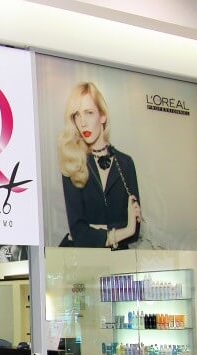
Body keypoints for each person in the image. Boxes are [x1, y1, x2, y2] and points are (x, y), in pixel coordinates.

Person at [58, 82, 141, 249]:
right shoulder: (72, 162)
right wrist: (123, 230)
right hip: (81, 259)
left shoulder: (125, 163)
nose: (82, 123)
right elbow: (79, 233)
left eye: (88, 113)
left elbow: (135, 230)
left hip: (119, 260)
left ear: (102, 116)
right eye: (77, 115)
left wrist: (96, 231)